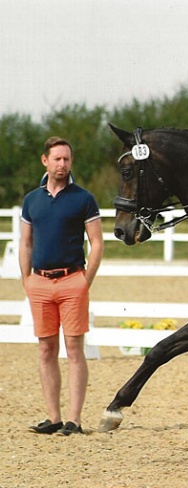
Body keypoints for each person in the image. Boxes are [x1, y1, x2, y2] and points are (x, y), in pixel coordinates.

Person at [19, 136, 104, 436]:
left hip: (72, 281)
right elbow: (26, 243)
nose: (62, 164)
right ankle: (53, 417)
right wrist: (26, 281)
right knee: (45, 349)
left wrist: (86, 280)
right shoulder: (32, 200)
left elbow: (96, 243)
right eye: (57, 159)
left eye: (67, 159)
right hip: (40, 282)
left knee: (74, 348)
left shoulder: (83, 198)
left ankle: (74, 420)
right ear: (45, 161)